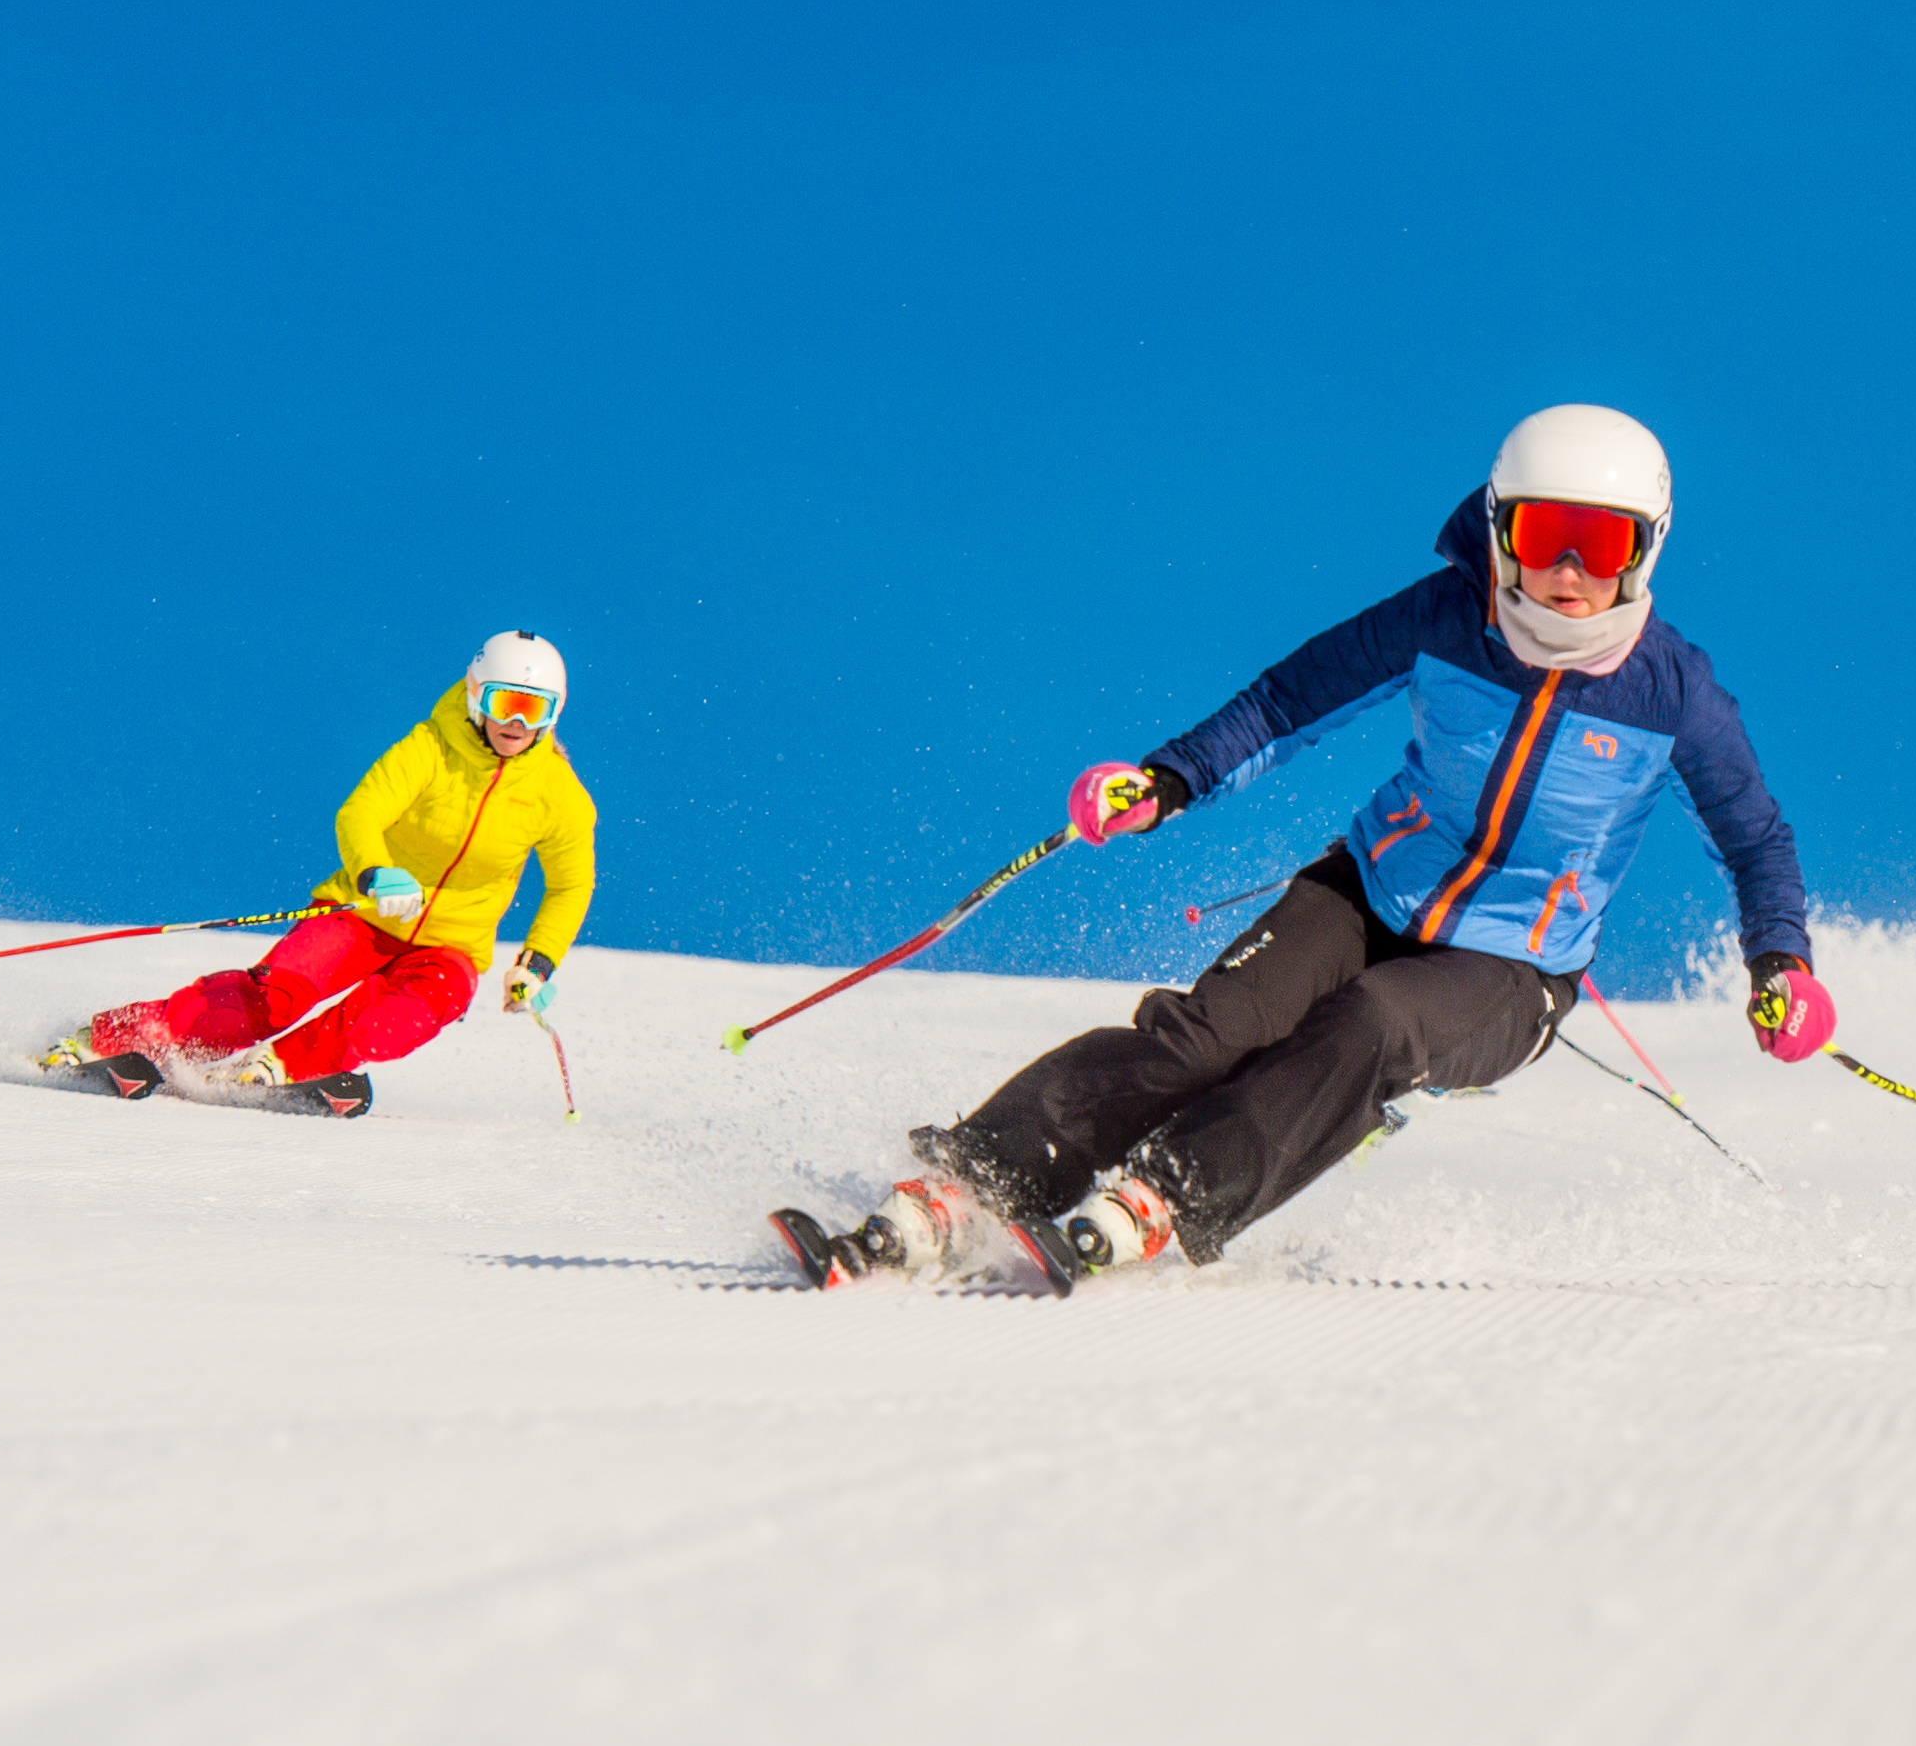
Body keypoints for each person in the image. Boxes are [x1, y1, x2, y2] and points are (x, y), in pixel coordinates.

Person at [779, 404, 1825, 1285]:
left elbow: (1756, 840)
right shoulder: (1448, 618)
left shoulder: (1672, 691)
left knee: (1369, 1025)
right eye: (1545, 532)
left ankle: (1164, 1196)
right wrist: (1171, 778)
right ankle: (971, 1185)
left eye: (1595, 544)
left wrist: (1781, 964)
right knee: (1208, 1034)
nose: (1563, 569)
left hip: (1513, 967)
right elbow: (1291, 699)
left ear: (1644, 549)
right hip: (1366, 890)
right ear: (1501, 531)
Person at [41, 630, 597, 1116]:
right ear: (476, 696)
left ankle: (283, 1064)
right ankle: (106, 1039)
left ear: (556, 712)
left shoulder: (560, 797)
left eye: (534, 708)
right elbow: (362, 811)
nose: (517, 723)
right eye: (505, 703)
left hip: (448, 948)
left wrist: (537, 963)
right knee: (275, 996)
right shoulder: (430, 748)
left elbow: (570, 885)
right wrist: (376, 872)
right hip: (363, 915)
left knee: (397, 1018)